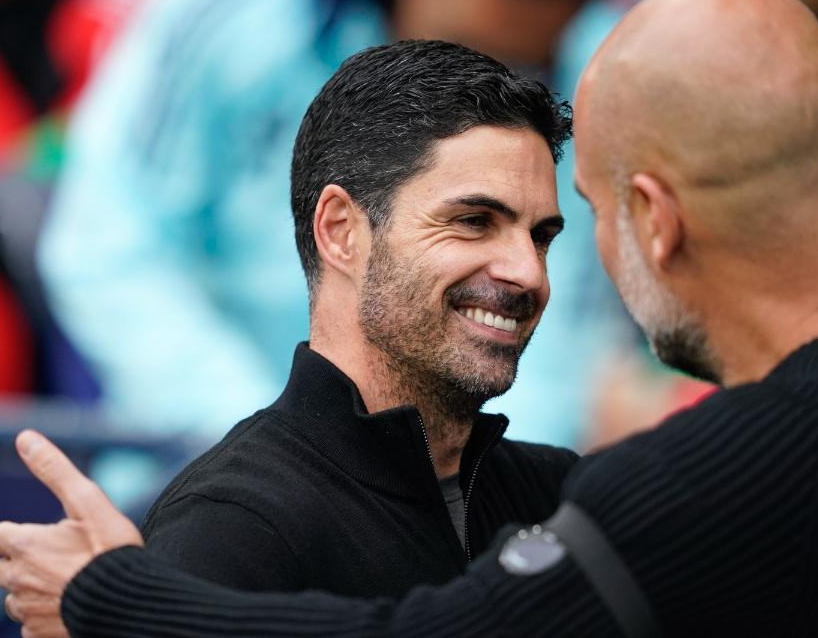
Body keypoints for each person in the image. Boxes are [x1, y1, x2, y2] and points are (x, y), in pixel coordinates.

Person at [0, 0, 818, 637]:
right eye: (475, 219)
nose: (544, 272)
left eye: (568, 220)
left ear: (654, 218)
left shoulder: (719, 480)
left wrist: (114, 597)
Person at [38, 0, 625, 452]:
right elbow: (109, 247)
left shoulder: (599, 55)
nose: (562, 15)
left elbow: (552, 328)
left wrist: (472, 485)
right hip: (201, 459)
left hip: (453, 500)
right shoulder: (236, 3)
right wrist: (267, 442)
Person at [137, 40, 579, 597]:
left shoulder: (564, 498)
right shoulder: (230, 531)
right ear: (341, 232)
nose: (529, 273)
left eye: (540, 237)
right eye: (473, 221)